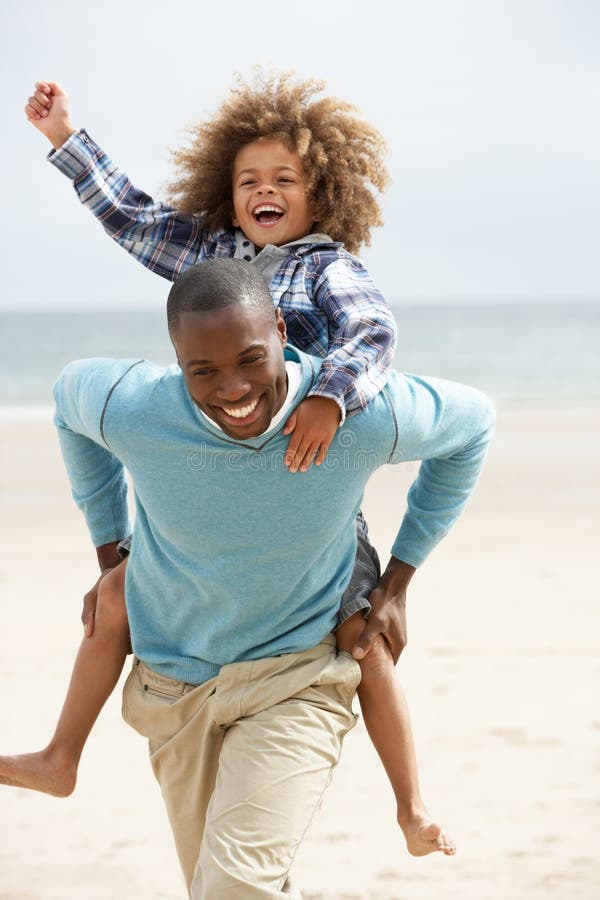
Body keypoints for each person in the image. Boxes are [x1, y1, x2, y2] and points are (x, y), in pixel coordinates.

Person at [4, 74, 443, 856]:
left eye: (283, 180)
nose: (262, 191)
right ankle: (60, 755)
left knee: (361, 635)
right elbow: (135, 219)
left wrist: (330, 398)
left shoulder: (327, 270)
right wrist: (66, 139)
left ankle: (409, 806)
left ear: (323, 192)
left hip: (307, 496)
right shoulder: (213, 258)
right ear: (227, 193)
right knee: (113, 596)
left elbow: (373, 336)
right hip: (206, 487)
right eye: (247, 181)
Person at [49, 261, 495, 896]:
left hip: (300, 677)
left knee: (235, 885)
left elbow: (472, 425)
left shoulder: (355, 422)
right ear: (177, 358)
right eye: (203, 370)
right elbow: (68, 402)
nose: (232, 388)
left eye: (250, 359)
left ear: (282, 329)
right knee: (220, 885)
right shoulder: (136, 407)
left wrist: (397, 581)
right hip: (175, 688)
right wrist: (110, 551)